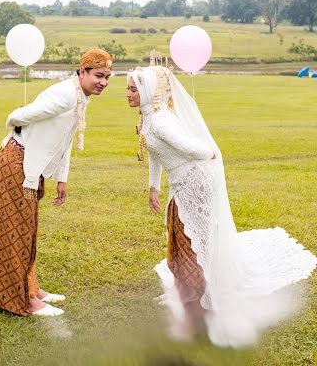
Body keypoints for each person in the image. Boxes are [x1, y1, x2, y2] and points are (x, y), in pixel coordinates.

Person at [126, 60, 316, 347]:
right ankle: (189, 295)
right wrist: (153, 187)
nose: (127, 94)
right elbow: (155, 152)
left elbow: (193, 149)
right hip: (181, 181)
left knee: (191, 242)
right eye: (127, 88)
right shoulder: (151, 116)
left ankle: (199, 311)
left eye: (132, 89)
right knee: (179, 236)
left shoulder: (161, 121)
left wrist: (212, 155)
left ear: (148, 90)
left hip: (194, 181)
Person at [0, 48, 113, 316]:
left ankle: (31, 288)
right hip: (17, 162)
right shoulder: (65, 96)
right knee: (17, 229)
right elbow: (20, 116)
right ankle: (26, 300)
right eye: (98, 75)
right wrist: (15, 122)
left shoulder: (79, 96)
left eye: (107, 77)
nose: (103, 83)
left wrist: (62, 178)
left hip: (28, 164)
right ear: (82, 71)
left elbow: (65, 139)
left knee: (28, 228)